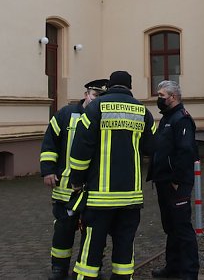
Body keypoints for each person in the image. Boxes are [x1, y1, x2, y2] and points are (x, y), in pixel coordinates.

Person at [68, 71, 154, 280]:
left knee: (92, 246)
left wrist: (77, 182)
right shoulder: (143, 111)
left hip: (100, 197)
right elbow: (151, 147)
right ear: (130, 86)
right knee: (125, 246)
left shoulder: (96, 108)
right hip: (131, 197)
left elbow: (81, 149)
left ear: (110, 86)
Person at [40, 78, 108, 280]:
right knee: (63, 230)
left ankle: (87, 268)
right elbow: (50, 142)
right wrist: (48, 170)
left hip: (94, 188)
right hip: (65, 188)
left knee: (93, 234)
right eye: (95, 96)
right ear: (87, 94)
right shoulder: (66, 114)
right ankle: (59, 269)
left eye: (101, 98)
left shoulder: (105, 117)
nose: (97, 101)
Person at [147, 80, 200, 280]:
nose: (158, 99)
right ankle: (173, 267)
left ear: (173, 97)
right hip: (163, 181)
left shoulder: (182, 119)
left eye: (161, 95)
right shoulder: (167, 118)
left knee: (182, 227)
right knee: (170, 227)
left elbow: (185, 151)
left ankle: (188, 272)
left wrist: (177, 180)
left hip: (176, 183)